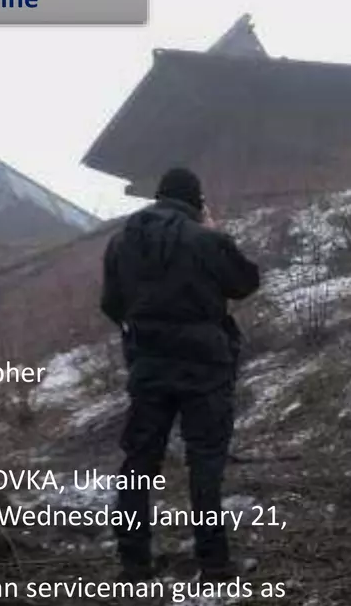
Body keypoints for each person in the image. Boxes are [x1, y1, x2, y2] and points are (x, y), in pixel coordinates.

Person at [99, 168, 261, 583]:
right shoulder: (203, 238)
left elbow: (111, 304)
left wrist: (144, 330)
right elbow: (245, 283)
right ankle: (214, 562)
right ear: (196, 201)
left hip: (148, 365)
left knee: (138, 462)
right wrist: (216, 233)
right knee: (204, 460)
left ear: (158, 197)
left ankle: (134, 562)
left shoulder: (121, 242)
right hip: (204, 365)